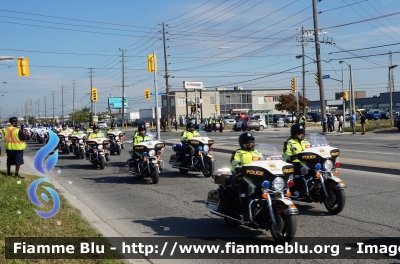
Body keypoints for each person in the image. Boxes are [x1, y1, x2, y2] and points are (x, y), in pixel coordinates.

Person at [229, 132, 263, 220]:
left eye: (251, 142)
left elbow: (264, 162)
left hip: (257, 177)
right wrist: (238, 170)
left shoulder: (257, 152)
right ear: (243, 143)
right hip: (243, 177)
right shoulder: (238, 153)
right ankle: (245, 212)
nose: (250, 144)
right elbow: (234, 165)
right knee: (243, 191)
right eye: (248, 142)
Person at [283, 124, 309, 189]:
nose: (301, 135)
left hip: (306, 163)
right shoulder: (289, 142)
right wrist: (291, 157)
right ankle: (297, 190)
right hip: (295, 163)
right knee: (297, 176)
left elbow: (312, 150)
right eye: (299, 133)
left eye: (302, 133)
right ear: (294, 133)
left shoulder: (305, 141)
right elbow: (285, 155)